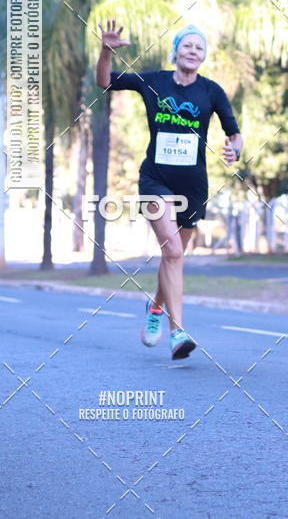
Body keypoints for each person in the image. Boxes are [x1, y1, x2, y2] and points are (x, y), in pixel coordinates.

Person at [96, 21, 243, 360]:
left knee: (174, 256)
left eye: (199, 48)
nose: (193, 51)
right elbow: (105, 82)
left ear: (203, 56)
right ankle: (178, 333)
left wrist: (236, 150)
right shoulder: (154, 81)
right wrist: (105, 50)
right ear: (176, 50)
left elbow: (235, 134)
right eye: (187, 45)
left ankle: (156, 307)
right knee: (173, 251)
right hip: (155, 181)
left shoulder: (212, 92)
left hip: (193, 185)